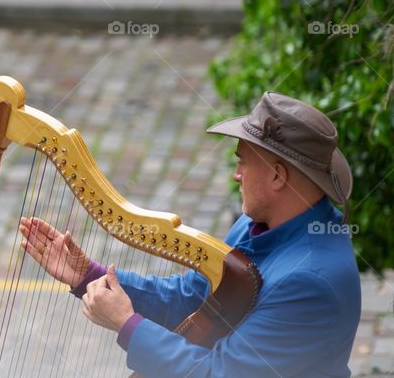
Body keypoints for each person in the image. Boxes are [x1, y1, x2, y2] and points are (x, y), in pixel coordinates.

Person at [21, 92, 358, 377]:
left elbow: (217, 372)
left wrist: (127, 325)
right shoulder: (259, 222)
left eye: (243, 162)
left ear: (277, 177)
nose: (237, 175)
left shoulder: (311, 283)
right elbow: (193, 296)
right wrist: (89, 277)